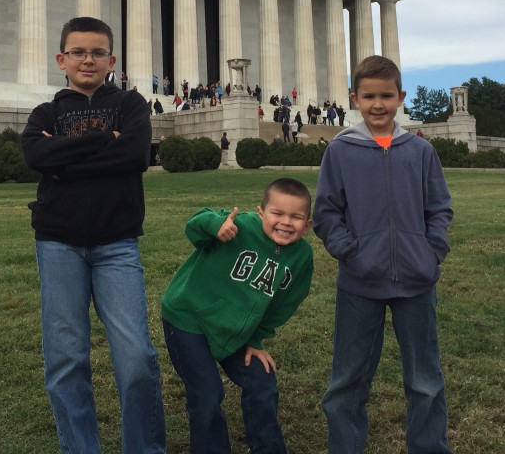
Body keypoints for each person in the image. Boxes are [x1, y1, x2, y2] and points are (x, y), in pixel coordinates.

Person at [20, 16, 165, 454]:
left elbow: (135, 154)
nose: (88, 59)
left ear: (112, 60)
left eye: (97, 52)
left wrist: (64, 158)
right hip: (58, 242)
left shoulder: (131, 105)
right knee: (66, 357)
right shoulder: (46, 112)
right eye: (79, 52)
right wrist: (105, 140)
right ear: (61, 59)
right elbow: (35, 156)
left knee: (137, 356)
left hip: (116, 242)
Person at [313, 55, 454, 454]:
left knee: (425, 381)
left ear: (401, 97)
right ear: (354, 98)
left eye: (386, 96)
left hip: (416, 280)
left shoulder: (420, 151)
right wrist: (349, 253)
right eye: (369, 96)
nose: (378, 105)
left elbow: (439, 208)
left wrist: (431, 253)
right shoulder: (340, 151)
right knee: (348, 381)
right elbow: (325, 212)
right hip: (359, 282)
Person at [161, 179, 315, 454]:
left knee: (262, 380)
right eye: (277, 214)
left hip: (237, 332)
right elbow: (194, 226)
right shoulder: (239, 226)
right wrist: (214, 225)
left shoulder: (302, 257)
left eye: (296, 217)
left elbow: (284, 305)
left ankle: (268, 448)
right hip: (189, 319)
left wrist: (256, 340)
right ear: (260, 212)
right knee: (207, 392)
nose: (286, 222)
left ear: (308, 224)